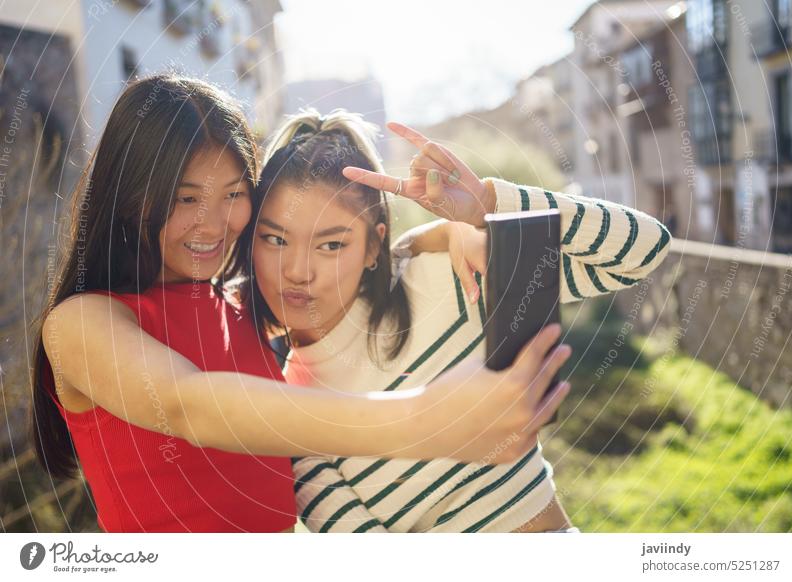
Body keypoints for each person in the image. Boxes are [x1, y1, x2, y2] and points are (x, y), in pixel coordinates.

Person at [31, 75, 568, 533]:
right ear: (130, 193)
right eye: (186, 197)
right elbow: (186, 403)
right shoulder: (81, 323)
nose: (213, 225)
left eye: (234, 194)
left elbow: (335, 266)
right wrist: (423, 419)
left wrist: (446, 234)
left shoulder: (243, 310)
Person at [240, 109, 672, 532]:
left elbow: (643, 251)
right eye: (275, 239)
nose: (297, 270)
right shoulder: (291, 411)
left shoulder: (448, 273)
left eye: (331, 245)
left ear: (375, 247)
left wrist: (488, 204)